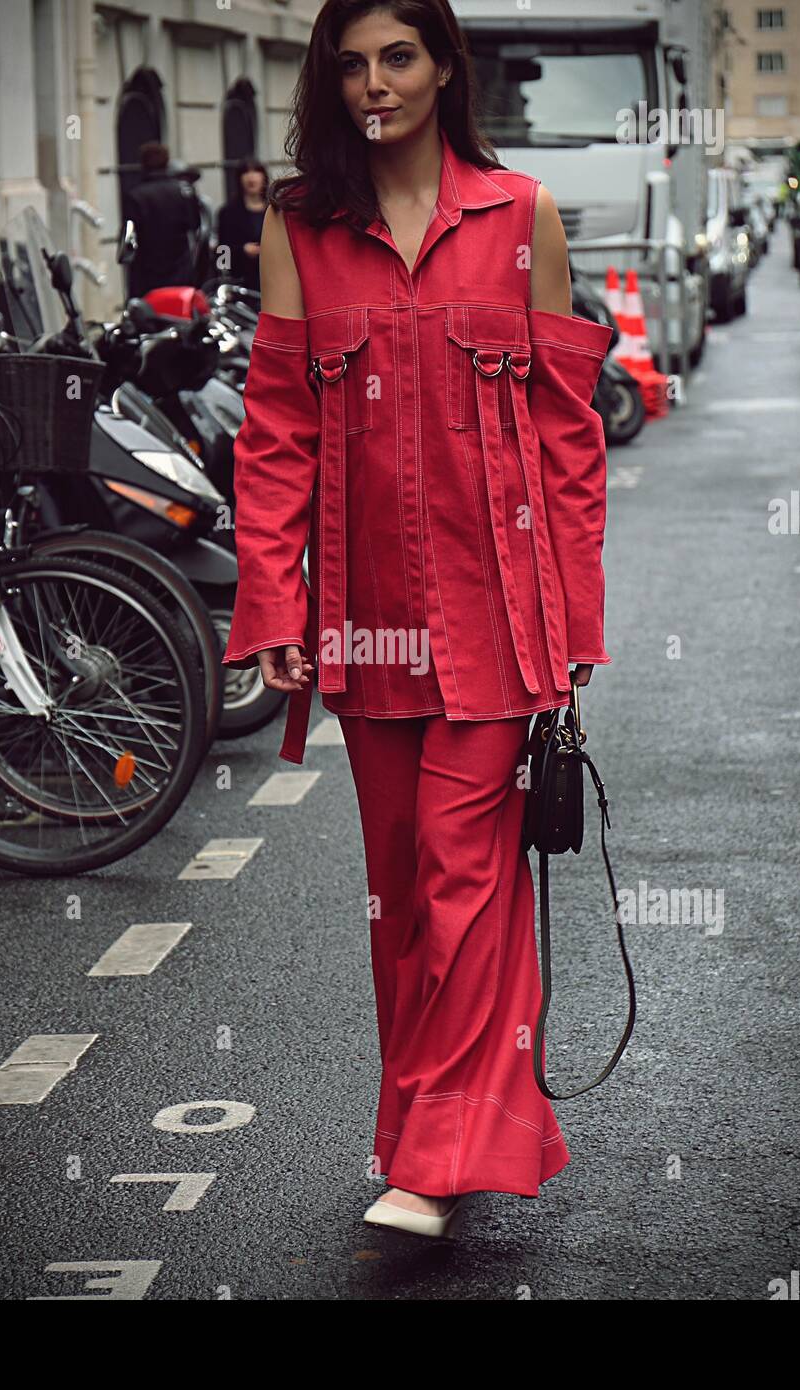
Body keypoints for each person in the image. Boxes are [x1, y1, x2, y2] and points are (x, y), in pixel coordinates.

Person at [221, 0, 614, 1240]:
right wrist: (274, 598)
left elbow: (567, 441)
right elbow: (277, 434)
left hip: (497, 616)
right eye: (350, 65)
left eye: (396, 58)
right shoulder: (299, 227)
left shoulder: (521, 218)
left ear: (446, 66)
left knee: (463, 871)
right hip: (367, 619)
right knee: (399, 884)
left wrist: (575, 627)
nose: (372, 85)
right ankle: (422, 1136)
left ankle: (435, 1164)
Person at [122, 141, 201, 296]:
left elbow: (129, 238)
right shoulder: (183, 192)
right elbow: (195, 225)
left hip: (146, 274)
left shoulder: (135, 196)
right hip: (180, 270)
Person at [216, 158, 269, 292]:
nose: (251, 177)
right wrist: (242, 250)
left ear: (263, 177)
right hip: (241, 283)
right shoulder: (228, 212)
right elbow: (222, 252)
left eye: (256, 171)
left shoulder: (275, 210)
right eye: (246, 172)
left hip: (272, 278)